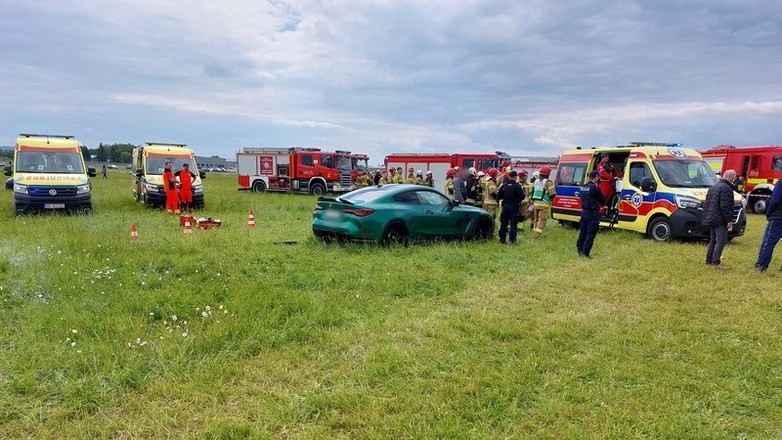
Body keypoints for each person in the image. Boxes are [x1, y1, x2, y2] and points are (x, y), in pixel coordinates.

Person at [702, 169, 737, 269]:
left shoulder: (714, 187)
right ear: (731, 178)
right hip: (720, 218)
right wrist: (729, 220)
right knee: (721, 240)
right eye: (734, 177)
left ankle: (709, 260)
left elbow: (707, 203)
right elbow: (725, 206)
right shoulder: (727, 188)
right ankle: (716, 262)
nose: (735, 179)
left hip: (711, 217)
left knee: (713, 239)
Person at [755, 179, 782, 272]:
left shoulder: (781, 183)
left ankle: (762, 266)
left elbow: (775, 200)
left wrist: (769, 212)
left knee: (768, 242)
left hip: (778, 217)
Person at [576, 171, 605, 258]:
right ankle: (585, 252)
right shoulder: (594, 188)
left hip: (584, 212)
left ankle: (580, 250)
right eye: (598, 177)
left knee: (583, 233)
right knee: (590, 234)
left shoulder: (583, 187)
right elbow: (602, 200)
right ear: (596, 177)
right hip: (592, 213)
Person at [497, 170, 525, 244]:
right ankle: (512, 241)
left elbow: (499, 196)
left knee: (503, 224)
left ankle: (502, 240)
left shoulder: (504, 185)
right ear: (516, 177)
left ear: (509, 177)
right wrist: (517, 201)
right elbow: (522, 196)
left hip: (505, 206)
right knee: (513, 224)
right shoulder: (517, 186)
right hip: (513, 207)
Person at [530, 166, 556, 237]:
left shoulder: (536, 181)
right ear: (548, 174)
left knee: (536, 219)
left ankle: (534, 233)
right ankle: (537, 235)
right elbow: (552, 194)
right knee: (542, 219)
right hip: (544, 204)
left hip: (535, 203)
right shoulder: (548, 182)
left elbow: (532, 191)